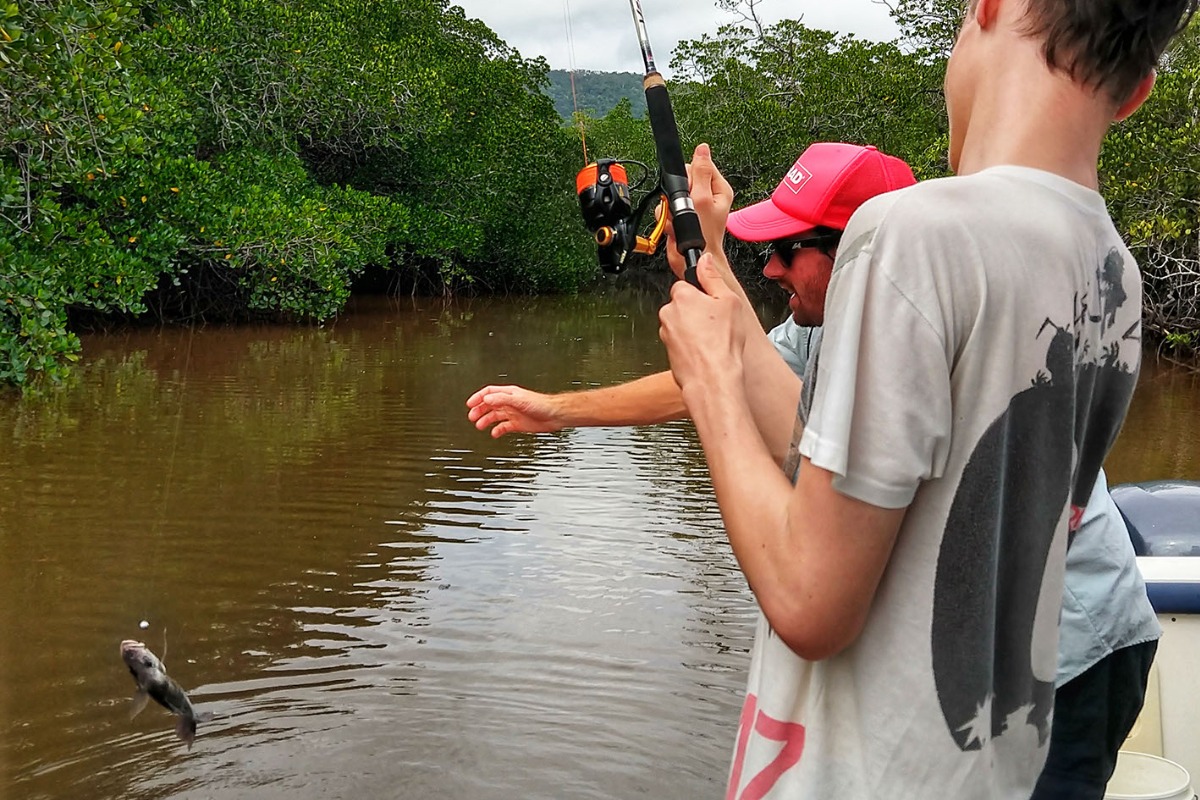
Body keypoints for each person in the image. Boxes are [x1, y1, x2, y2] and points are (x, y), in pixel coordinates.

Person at [467, 140, 1162, 798]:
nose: (768, 269)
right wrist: (560, 408)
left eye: (787, 250)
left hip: (1073, 645)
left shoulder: (924, 314)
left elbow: (811, 592)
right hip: (975, 639)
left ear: (861, 252)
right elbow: (732, 369)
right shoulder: (825, 321)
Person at [647, 0, 1195, 793]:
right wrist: (723, 295)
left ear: (991, 7)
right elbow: (841, 462)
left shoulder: (914, 232)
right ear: (1139, 90)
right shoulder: (1108, 264)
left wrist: (710, 390)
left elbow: (809, 601)